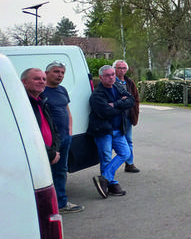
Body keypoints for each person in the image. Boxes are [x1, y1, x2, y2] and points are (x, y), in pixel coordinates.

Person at [42, 61, 84, 214]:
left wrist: (70, 131)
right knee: (45, 172)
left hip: (65, 138)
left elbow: (67, 111)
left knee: (61, 170)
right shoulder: (41, 91)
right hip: (48, 142)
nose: (59, 75)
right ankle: (45, 206)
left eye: (62, 72)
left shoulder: (62, 90)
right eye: (56, 71)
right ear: (46, 73)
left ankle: (61, 203)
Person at [88, 65, 134, 199]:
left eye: (113, 74)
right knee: (106, 158)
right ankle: (112, 185)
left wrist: (115, 104)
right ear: (101, 77)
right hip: (103, 130)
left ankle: (104, 178)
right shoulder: (97, 94)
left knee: (125, 153)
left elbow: (131, 101)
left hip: (119, 130)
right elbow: (105, 112)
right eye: (108, 75)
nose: (111, 77)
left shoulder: (118, 87)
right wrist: (121, 105)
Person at [21, 68, 60, 166]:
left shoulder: (42, 101)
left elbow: (54, 129)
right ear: (24, 82)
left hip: (46, 157)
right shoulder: (21, 104)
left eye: (44, 79)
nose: (41, 82)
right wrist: (50, 153)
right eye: (37, 79)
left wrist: (55, 151)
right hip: (30, 158)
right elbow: (27, 136)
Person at [114, 59, 141, 173]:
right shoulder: (111, 81)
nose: (122, 70)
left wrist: (135, 113)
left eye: (124, 68)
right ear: (114, 69)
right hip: (115, 117)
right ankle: (108, 168)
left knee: (128, 140)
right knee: (114, 142)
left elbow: (135, 98)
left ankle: (130, 164)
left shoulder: (130, 82)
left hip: (128, 117)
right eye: (119, 68)